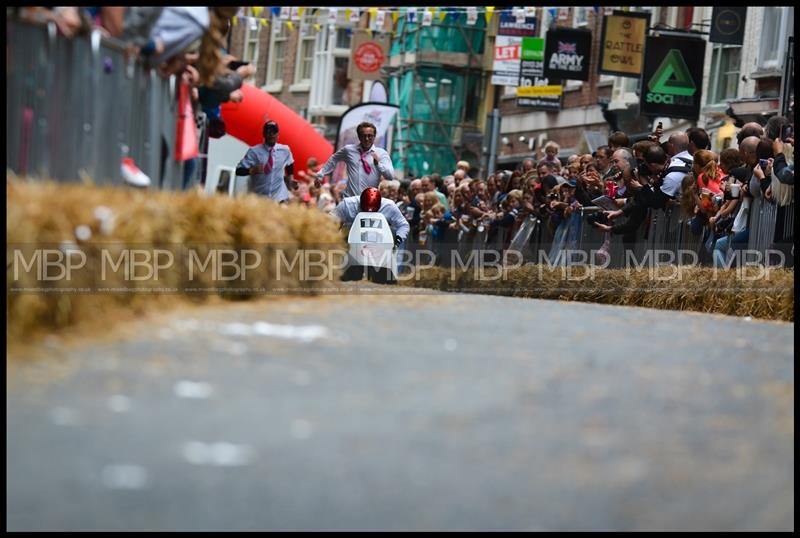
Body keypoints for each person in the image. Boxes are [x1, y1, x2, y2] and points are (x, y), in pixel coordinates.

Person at [317, 121, 394, 197]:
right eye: (363, 136)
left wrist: (379, 164)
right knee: (335, 210)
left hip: (370, 202)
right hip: (350, 200)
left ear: (374, 136)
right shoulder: (348, 150)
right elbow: (334, 159)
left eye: (370, 136)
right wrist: (320, 174)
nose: (367, 139)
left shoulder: (381, 153)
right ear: (359, 136)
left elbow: (390, 176)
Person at [235, 120, 296, 202]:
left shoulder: (285, 150)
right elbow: (238, 171)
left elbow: (290, 163)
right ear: (263, 134)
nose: (271, 134)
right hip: (258, 198)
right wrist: (252, 170)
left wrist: (290, 179)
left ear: (278, 134)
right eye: (268, 132)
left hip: (279, 198)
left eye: (274, 132)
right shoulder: (254, 151)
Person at [332, 187, 410, 250]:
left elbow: (403, 225)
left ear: (380, 205)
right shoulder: (348, 205)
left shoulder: (389, 206)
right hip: (349, 243)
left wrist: (398, 238)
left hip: (380, 245)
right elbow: (330, 220)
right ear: (360, 202)